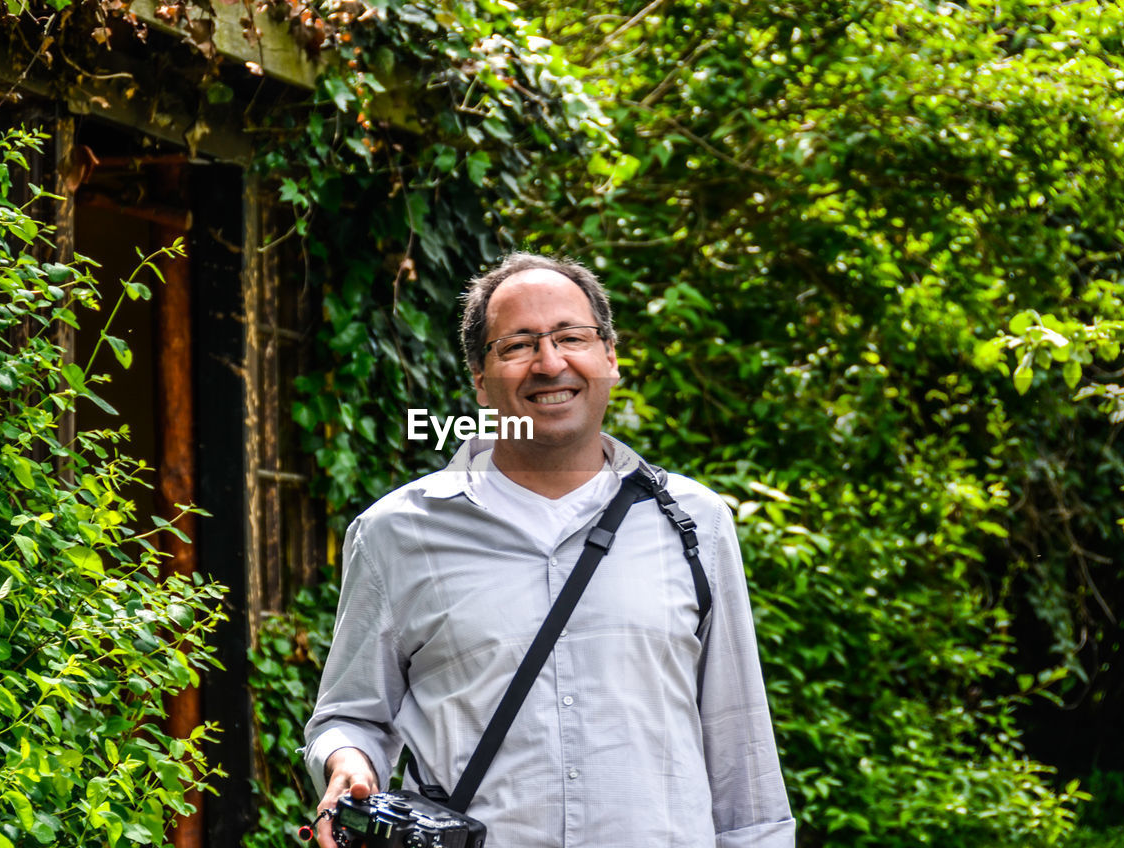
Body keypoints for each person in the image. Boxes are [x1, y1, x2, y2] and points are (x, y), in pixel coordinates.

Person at [304, 253, 796, 847]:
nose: (551, 362)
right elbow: (352, 714)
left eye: (572, 337)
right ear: (479, 380)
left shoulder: (696, 523)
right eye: (517, 345)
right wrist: (348, 762)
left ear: (610, 357)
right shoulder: (396, 534)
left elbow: (738, 745)